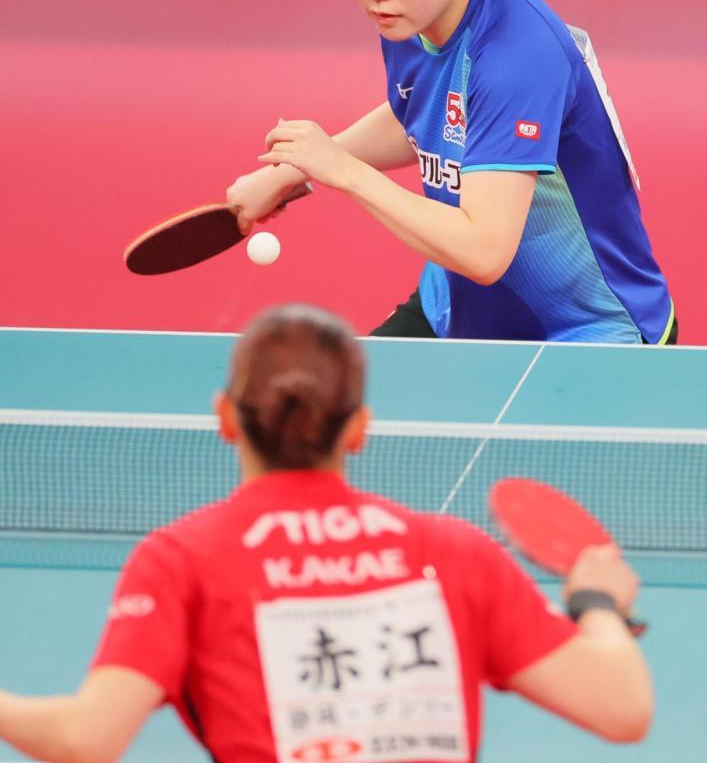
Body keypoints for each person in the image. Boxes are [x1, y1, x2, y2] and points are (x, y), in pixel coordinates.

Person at [0, 304, 652, 762]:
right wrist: (596, 605)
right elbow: (621, 710)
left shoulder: (180, 562)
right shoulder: (453, 554)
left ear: (225, 418)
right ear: (360, 427)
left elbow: (83, 740)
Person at [227, 0, 676, 345]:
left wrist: (342, 171)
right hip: (456, 309)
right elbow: (418, 110)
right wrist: (294, 170)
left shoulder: (518, 54)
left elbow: (485, 251)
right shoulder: (409, 16)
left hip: (588, 334)